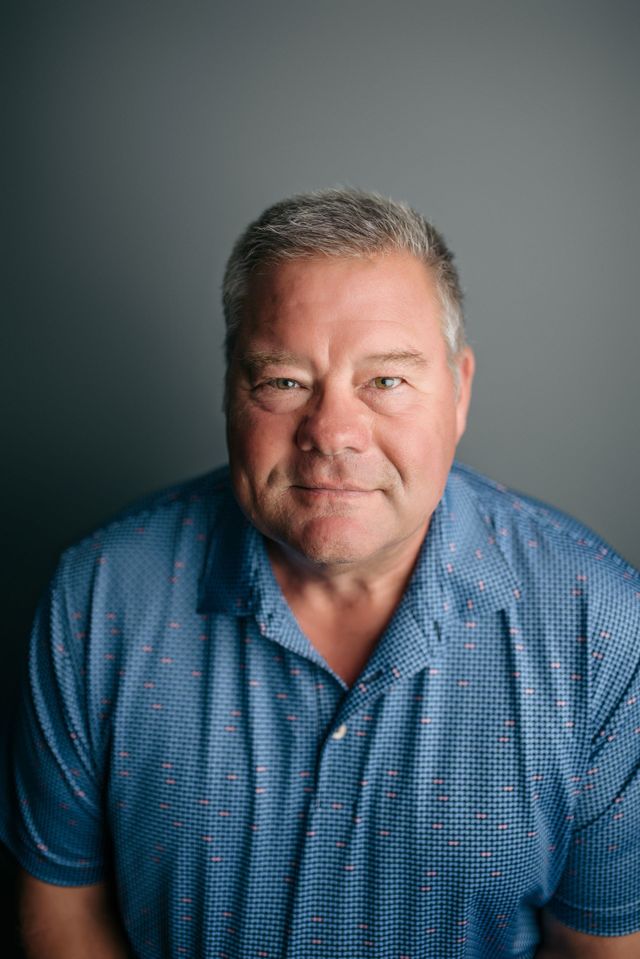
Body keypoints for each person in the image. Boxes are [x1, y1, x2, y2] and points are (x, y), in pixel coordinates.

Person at [2, 189, 639, 959]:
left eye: (386, 381)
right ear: (231, 390)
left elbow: (600, 947)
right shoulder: (99, 596)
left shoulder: (600, 626)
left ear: (460, 390)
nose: (333, 434)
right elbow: (63, 910)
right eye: (284, 381)